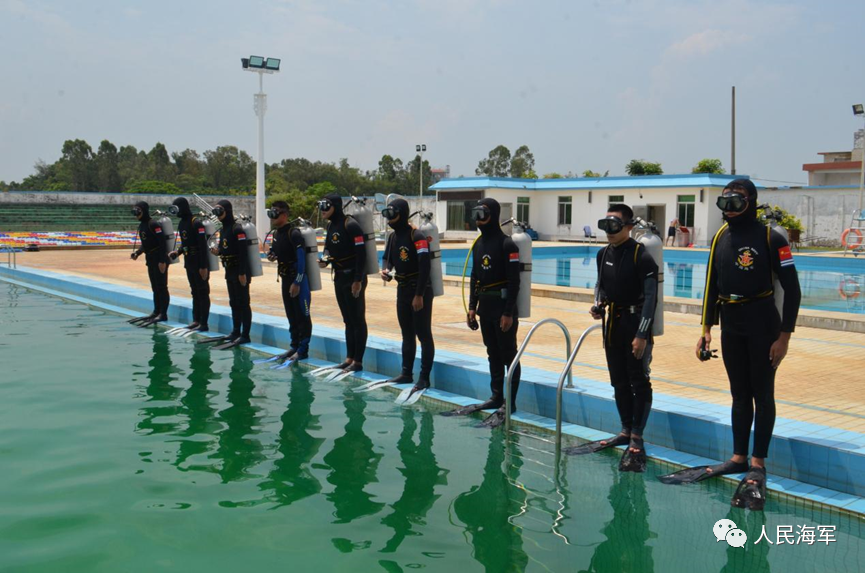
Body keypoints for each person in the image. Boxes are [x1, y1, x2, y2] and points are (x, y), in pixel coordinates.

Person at [659, 179, 801, 512]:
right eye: (725, 203)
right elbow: (711, 284)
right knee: (739, 393)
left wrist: (784, 336)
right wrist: (707, 327)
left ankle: (758, 461)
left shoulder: (771, 238)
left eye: (735, 202)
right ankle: (738, 457)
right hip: (732, 325)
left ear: (750, 201)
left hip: (763, 324)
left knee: (762, 394)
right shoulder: (722, 237)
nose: (729, 209)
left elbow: (792, 291)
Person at [567, 204, 658, 473]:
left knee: (638, 380)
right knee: (618, 380)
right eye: (605, 225)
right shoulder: (602, 253)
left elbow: (652, 298)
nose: (609, 231)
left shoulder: (642, 256)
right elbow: (603, 287)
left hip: (635, 323)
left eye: (615, 225)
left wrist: (642, 334)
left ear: (629, 227)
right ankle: (625, 429)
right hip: (613, 325)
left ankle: (637, 436)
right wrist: (600, 305)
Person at [442, 198, 520, 428]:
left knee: (509, 355)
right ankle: (496, 396)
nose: (477, 219)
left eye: (482, 214)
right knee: (492, 353)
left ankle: (510, 402)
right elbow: (475, 277)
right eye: (475, 214)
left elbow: (515, 282)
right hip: (485, 308)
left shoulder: (508, 245)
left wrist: (508, 312)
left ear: (493, 215)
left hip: (503, 308)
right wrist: (472, 307)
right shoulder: (478, 244)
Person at [379, 197, 434, 397]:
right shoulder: (393, 237)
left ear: (400, 214)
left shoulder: (416, 235)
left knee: (423, 334)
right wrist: (386, 269)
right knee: (406, 333)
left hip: (420, 291)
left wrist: (419, 294)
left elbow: (425, 265)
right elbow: (387, 257)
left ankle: (424, 377)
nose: (388, 218)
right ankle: (406, 373)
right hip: (402, 290)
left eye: (391, 214)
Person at [318, 193, 367, 374]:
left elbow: (362, 255)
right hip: (339, 277)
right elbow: (328, 249)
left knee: (357, 320)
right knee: (348, 320)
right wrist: (325, 260)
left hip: (353, 279)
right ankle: (349, 358)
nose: (322, 210)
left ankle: (358, 361)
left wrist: (358, 280)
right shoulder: (331, 226)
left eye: (325, 206)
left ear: (335, 207)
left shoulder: (351, 225)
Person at [266, 200, 312, 364]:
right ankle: (294, 345)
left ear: (284, 215)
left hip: (298, 280)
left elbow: (302, 261)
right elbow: (277, 252)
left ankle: (303, 350)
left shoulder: (294, 233)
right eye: (271, 212)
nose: (272, 216)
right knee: (291, 316)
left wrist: (297, 283)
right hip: (285, 279)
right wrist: (272, 255)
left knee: (303, 315)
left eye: (275, 213)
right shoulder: (276, 234)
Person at [209, 199, 252, 349]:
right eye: (216, 212)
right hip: (229, 271)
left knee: (243, 303)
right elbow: (224, 249)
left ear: (227, 211)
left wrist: (242, 273)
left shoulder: (237, 229)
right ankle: (235, 332)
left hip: (239, 271)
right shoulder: (223, 229)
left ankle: (245, 335)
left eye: (220, 211)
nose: (218, 215)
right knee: (233, 302)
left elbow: (243, 252)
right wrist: (218, 251)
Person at [169, 197, 211, 332]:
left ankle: (204, 323)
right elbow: (186, 244)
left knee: (203, 292)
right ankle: (196, 320)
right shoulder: (182, 223)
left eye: (176, 207)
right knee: (195, 292)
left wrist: (204, 266)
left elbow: (203, 246)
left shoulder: (196, 223)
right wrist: (177, 252)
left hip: (199, 263)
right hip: (189, 263)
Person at [130, 201, 170, 326]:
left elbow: (163, 242)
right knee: (155, 287)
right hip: (151, 259)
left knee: (161, 287)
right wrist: (138, 253)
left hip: (159, 259)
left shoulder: (154, 224)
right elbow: (145, 244)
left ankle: (163, 314)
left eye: (138, 211)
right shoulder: (142, 225)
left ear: (144, 211)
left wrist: (163, 261)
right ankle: (156, 311)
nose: (136, 214)